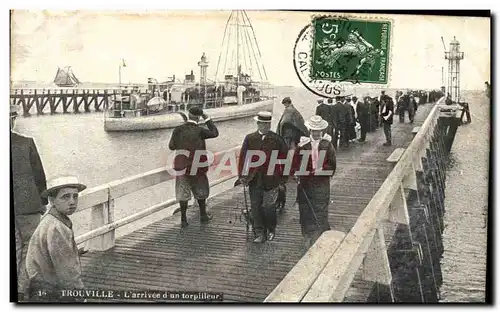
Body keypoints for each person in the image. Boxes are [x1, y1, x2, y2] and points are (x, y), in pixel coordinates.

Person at [25, 176, 86, 302]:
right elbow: (67, 270)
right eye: (65, 197)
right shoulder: (56, 227)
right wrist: (80, 296)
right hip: (48, 290)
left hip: (40, 284)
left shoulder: (52, 219)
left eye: (75, 196)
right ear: (52, 200)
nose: (72, 202)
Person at [11, 104, 48, 301]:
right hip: (27, 206)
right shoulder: (26, 143)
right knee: (29, 245)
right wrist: (42, 201)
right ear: (13, 119)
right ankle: (21, 288)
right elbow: (39, 175)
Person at [238, 111, 289, 243]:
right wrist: (243, 176)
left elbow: (285, 159)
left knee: (269, 207)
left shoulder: (277, 139)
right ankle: (259, 233)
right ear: (258, 123)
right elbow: (244, 158)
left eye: (267, 124)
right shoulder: (250, 138)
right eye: (262, 124)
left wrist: (283, 178)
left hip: (272, 179)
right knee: (255, 207)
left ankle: (271, 229)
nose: (265, 126)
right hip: (254, 179)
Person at [169, 107, 219, 227]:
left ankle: (183, 220)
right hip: (198, 166)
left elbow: (171, 146)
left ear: (188, 115)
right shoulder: (200, 131)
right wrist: (207, 119)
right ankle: (203, 216)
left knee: (183, 192)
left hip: (182, 166)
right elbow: (215, 133)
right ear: (198, 117)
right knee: (201, 191)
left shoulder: (178, 130)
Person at [291, 116, 336, 248]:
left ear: (322, 131)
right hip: (306, 183)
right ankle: (307, 236)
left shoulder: (327, 145)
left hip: (321, 182)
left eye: (319, 131)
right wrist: (296, 174)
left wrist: (322, 169)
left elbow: (332, 166)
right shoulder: (302, 145)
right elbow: (295, 164)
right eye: (314, 131)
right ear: (310, 130)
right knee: (305, 210)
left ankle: (322, 236)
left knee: (321, 209)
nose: (316, 133)